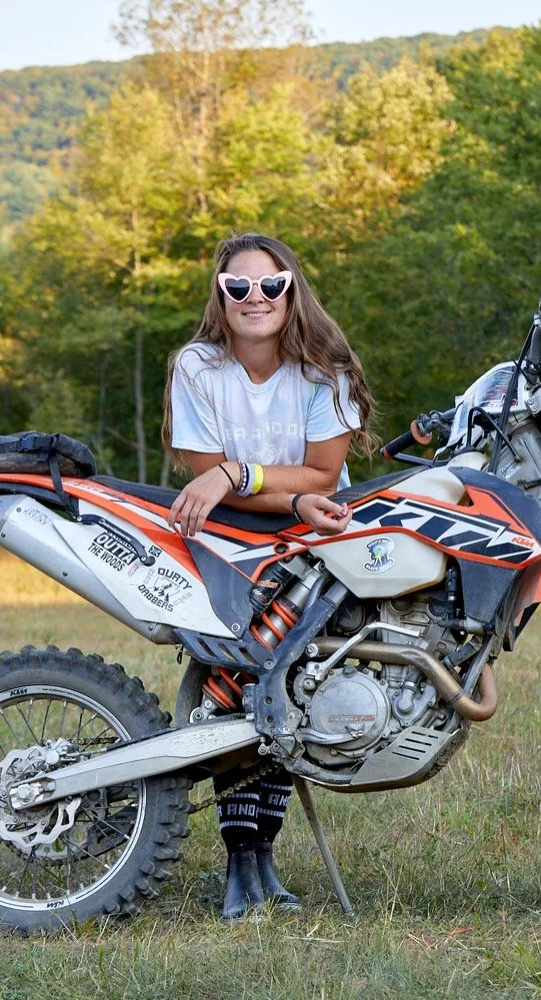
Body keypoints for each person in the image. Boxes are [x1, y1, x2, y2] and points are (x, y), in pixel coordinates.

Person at [161, 232, 377, 920]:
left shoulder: (325, 370)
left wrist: (238, 473)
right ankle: (238, 864)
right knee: (234, 690)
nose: (256, 299)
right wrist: (247, 483)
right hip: (234, 540)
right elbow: (204, 480)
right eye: (238, 288)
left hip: (316, 537)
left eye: (270, 285)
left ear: (292, 290)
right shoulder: (197, 366)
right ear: (219, 298)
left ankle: (266, 860)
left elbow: (322, 475)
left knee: (291, 688)